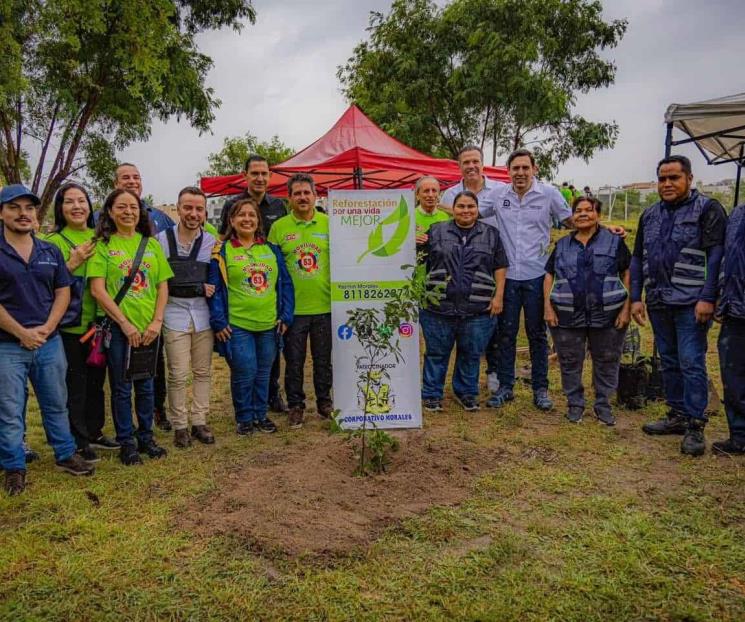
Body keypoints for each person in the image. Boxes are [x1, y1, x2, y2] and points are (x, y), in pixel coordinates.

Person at [0, 184, 96, 495]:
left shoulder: (49, 251)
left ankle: (66, 455)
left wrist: (47, 327)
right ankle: (14, 466)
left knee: (56, 403)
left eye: (28, 208)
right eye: (14, 207)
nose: (23, 214)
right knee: (10, 410)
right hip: (7, 344)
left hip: (48, 342)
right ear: (2, 213)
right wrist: (22, 333)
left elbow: (62, 291)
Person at [631, 155, 726, 456]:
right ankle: (676, 415)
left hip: (691, 303)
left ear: (689, 178)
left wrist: (708, 297)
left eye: (674, 177)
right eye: (662, 178)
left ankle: (696, 425)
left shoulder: (708, 210)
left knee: (690, 360)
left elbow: (716, 256)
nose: (668, 183)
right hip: (658, 299)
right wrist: (636, 297)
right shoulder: (649, 215)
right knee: (669, 360)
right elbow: (637, 258)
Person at [89, 189, 173, 465]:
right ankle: (127, 441)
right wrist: (124, 324)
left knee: (147, 386)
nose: (128, 212)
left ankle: (146, 437)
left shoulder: (150, 245)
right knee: (122, 388)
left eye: (134, 207)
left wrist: (156, 322)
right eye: (121, 207)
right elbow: (98, 290)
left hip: (149, 329)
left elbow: (162, 285)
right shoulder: (103, 245)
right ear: (110, 212)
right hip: (119, 330)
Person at [484, 149, 573, 411]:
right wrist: (427, 207)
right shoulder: (498, 195)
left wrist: (605, 230)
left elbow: (571, 221)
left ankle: (540, 389)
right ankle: (506, 387)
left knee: (537, 335)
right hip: (508, 277)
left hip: (537, 276)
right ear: (508, 171)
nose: (520, 173)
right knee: (506, 334)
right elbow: (468, 212)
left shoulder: (549, 194)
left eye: (525, 168)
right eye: (515, 168)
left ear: (534, 169)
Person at [209, 198, 294, 435]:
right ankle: (244, 418)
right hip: (238, 326)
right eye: (241, 215)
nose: (247, 219)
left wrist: (286, 316)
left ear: (258, 221)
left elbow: (285, 284)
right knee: (244, 371)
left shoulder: (272, 250)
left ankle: (260, 415)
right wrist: (219, 321)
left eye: (252, 215)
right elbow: (214, 289)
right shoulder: (222, 252)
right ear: (232, 220)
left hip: (269, 324)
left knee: (264, 373)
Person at [544, 196, 631, 425]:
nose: (583, 214)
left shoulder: (614, 242)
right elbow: (549, 275)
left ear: (597, 215)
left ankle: (603, 405)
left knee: (607, 360)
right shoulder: (562, 245)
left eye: (588, 210)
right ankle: (575, 404)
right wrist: (548, 308)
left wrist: (626, 309)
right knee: (570, 360)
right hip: (568, 314)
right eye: (578, 211)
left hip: (608, 314)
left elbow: (628, 273)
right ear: (572, 216)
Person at [46, 183, 116, 462]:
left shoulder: (102, 238)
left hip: (99, 323)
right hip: (70, 325)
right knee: (75, 383)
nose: (77, 206)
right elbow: (44, 284)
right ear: (60, 208)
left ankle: (95, 431)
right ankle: (77, 438)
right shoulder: (52, 243)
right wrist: (71, 264)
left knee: (97, 381)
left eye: (82, 201)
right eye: (69, 202)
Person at [420, 190, 508, 412]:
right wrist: (413, 241)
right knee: (437, 353)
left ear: (477, 210)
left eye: (471, 206)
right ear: (453, 209)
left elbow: (500, 266)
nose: (466, 211)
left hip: (477, 309)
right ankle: (432, 393)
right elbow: (415, 256)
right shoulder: (437, 231)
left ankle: (466, 392)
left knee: (471, 353)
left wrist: (498, 297)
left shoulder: (491, 234)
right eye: (461, 206)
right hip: (438, 307)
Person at [219, 154, 288, 413]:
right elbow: (221, 240)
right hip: (242, 278)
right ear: (245, 175)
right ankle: (246, 410)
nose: (260, 178)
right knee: (245, 363)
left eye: (264, 174)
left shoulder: (279, 205)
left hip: (269, 278)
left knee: (270, 355)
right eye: (255, 173)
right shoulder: (231, 205)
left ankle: (272, 395)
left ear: (270, 177)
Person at [114, 162, 176, 431]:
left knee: (153, 370)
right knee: (121, 380)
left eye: (136, 177)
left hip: (152, 310)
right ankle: (126, 431)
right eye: (125, 178)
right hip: (120, 314)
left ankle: (155, 414)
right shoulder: (103, 225)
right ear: (116, 184)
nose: (132, 181)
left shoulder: (159, 217)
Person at [268, 174, 332, 429]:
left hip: (325, 306)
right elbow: (271, 269)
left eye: (307, 192)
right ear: (289, 198)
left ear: (315, 196)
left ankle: (325, 403)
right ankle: (296, 405)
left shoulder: (329, 223)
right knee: (293, 361)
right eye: (297, 193)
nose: (303, 197)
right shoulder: (279, 228)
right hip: (293, 310)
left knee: (323, 360)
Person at [156, 187, 217, 448]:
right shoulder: (160, 240)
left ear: (204, 212)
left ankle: (199, 420)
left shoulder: (212, 242)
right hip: (173, 312)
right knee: (178, 373)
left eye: (198, 209)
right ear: (178, 209)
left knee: (203, 371)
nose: (193, 214)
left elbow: (215, 280)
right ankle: (180, 425)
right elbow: (163, 282)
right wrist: (195, 286)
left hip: (203, 314)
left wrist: (199, 288)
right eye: (188, 208)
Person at [714, 202, 745, 455]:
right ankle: (739, 435)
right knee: (732, 374)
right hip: (735, 307)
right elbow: (727, 258)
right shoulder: (736, 213)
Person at [440, 145, 504, 217]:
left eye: (475, 161)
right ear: (459, 166)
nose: (471, 166)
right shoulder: (449, 195)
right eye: (466, 162)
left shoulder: (501, 190)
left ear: (482, 164)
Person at [414, 176, 450, 258]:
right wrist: (410, 242)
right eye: (426, 191)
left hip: (440, 268)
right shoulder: (409, 217)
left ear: (438, 194)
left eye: (434, 191)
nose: (430, 195)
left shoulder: (446, 217)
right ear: (417, 195)